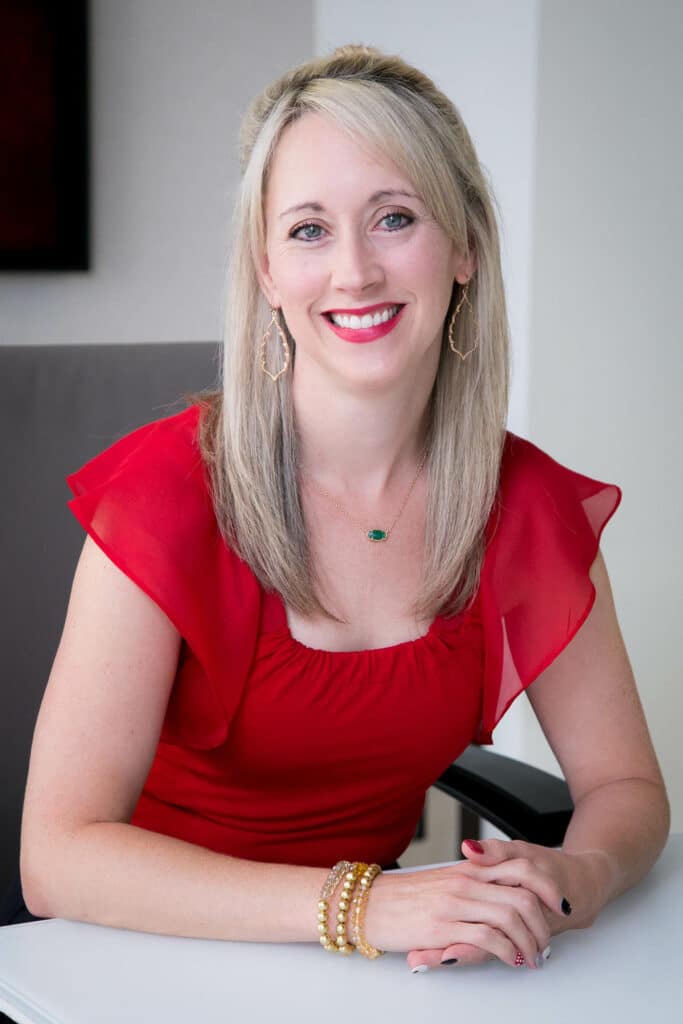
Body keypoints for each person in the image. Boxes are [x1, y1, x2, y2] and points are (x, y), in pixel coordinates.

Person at [18, 45, 669, 971]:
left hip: (369, 973)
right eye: (309, 230)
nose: (355, 272)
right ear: (268, 271)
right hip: (143, 952)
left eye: (394, 218)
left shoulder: (521, 505)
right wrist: (363, 906)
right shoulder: (169, 492)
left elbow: (626, 785)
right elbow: (56, 858)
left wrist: (573, 877)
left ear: (465, 247)